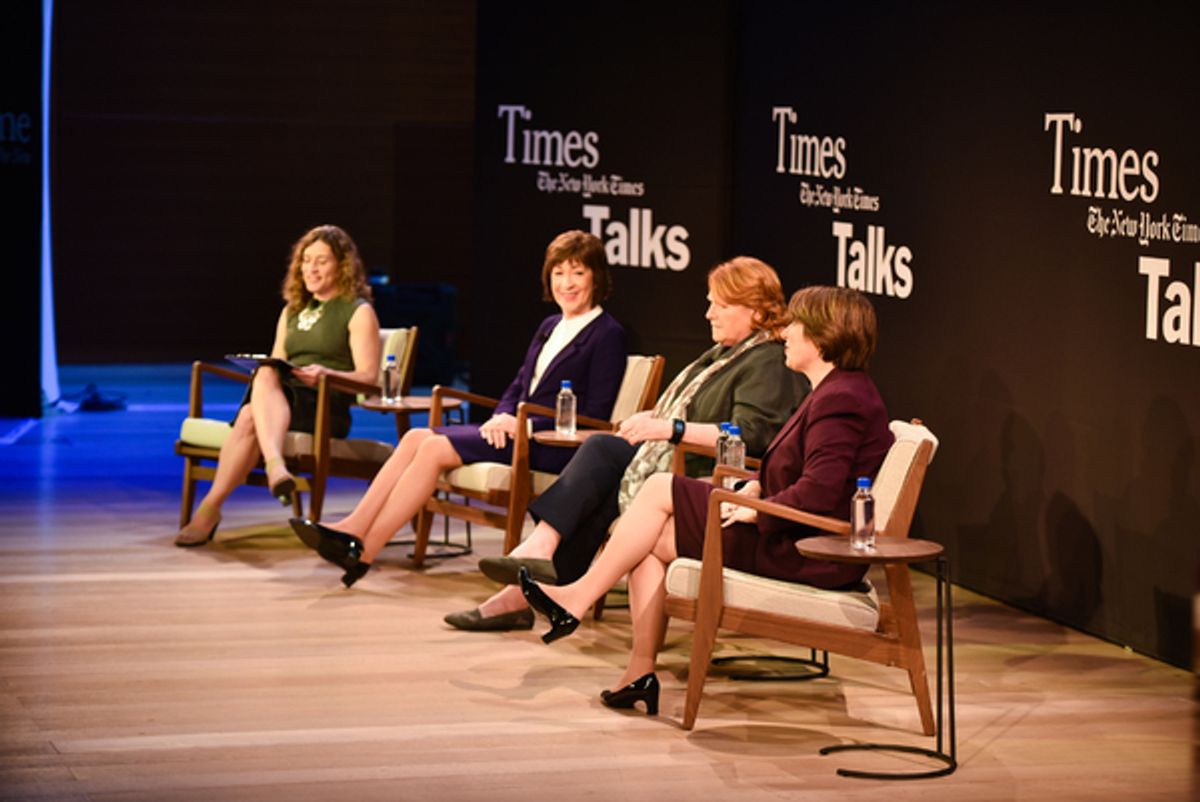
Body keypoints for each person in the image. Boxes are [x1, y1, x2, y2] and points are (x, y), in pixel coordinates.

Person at [518, 285, 893, 716]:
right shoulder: (832, 391)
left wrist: (755, 510)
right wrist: (756, 486)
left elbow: (819, 492)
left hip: (804, 550)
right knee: (650, 541)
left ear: (823, 336)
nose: (785, 332)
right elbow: (805, 473)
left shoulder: (842, 398)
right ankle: (637, 672)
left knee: (659, 489)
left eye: (795, 324)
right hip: (789, 531)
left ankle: (577, 599)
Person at [444, 256, 808, 632]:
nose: (708, 314)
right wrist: (654, 417)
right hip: (674, 458)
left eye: (720, 305)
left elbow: (749, 435)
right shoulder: (725, 354)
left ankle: (527, 580)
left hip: (704, 473)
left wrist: (670, 428)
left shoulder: (767, 360)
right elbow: (697, 410)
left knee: (601, 466)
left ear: (755, 310)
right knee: (601, 462)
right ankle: (534, 566)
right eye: (709, 302)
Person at [291, 230, 627, 586]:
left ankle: (364, 550)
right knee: (416, 437)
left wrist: (524, 426)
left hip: (551, 445)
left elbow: (596, 414)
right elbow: (520, 385)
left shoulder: (607, 333)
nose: (566, 283)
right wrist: (502, 414)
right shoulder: (550, 325)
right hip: (516, 431)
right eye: (558, 273)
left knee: (433, 447)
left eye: (577, 273)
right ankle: (354, 528)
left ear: (596, 278)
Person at [175, 224, 382, 547]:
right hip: (283, 400)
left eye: (322, 261)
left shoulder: (357, 312)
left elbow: (369, 378)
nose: (311, 268)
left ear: (342, 266)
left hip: (324, 406)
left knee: (251, 411)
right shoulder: (292, 311)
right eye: (306, 260)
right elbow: (278, 362)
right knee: (264, 378)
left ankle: (211, 509)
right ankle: (271, 470)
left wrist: (325, 374)